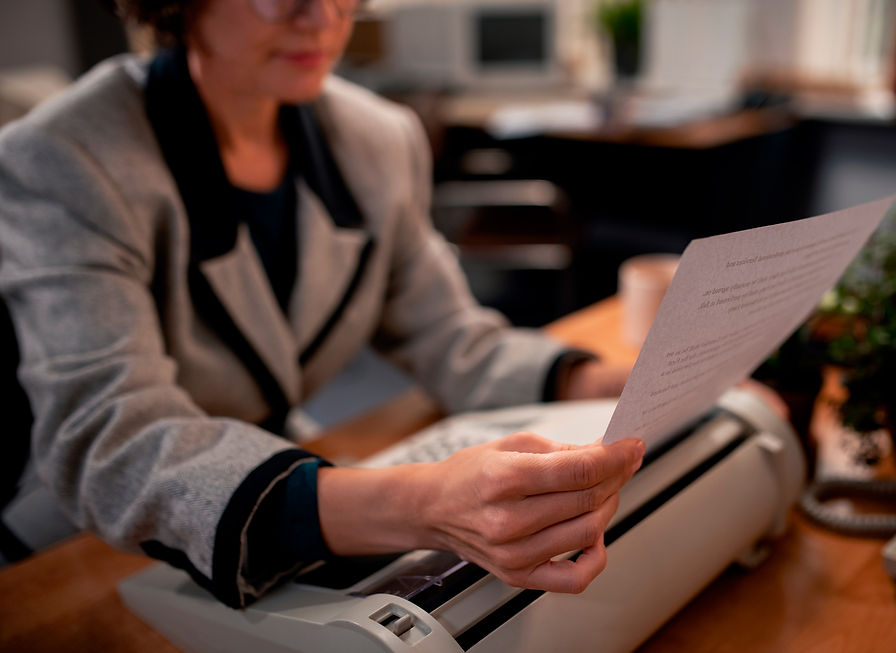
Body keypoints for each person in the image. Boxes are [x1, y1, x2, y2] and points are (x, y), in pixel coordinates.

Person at [0, 0, 645, 607]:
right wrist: (418, 504)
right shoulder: (65, 156)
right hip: (82, 545)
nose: (324, 18)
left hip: (278, 493)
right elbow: (113, 439)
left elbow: (451, 336)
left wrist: (608, 382)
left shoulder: (377, 137)